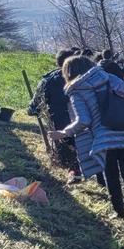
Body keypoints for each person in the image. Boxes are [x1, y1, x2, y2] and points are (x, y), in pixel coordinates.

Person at [49, 55, 124, 227]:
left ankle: (120, 214)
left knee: (111, 175)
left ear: (68, 72)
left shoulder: (77, 89)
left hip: (105, 137)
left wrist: (63, 133)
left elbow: (84, 120)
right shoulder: (110, 77)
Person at [28, 49, 82, 183]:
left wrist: (33, 109)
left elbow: (35, 106)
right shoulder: (84, 77)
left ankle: (74, 170)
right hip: (84, 123)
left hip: (61, 125)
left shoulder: (48, 80)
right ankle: (81, 172)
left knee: (68, 150)